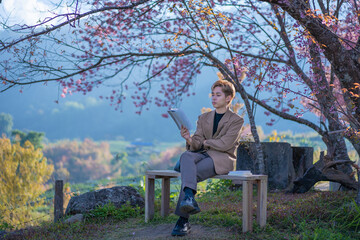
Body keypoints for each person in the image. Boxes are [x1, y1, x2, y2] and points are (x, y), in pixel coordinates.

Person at [171, 79, 244, 236]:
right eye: (213, 94)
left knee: (188, 173)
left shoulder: (236, 121)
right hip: (201, 155)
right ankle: (189, 198)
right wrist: (189, 139)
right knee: (186, 155)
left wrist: (204, 142)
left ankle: (182, 221)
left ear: (228, 98)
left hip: (221, 159)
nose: (213, 98)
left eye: (218, 95)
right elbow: (196, 143)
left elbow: (225, 144)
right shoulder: (203, 118)